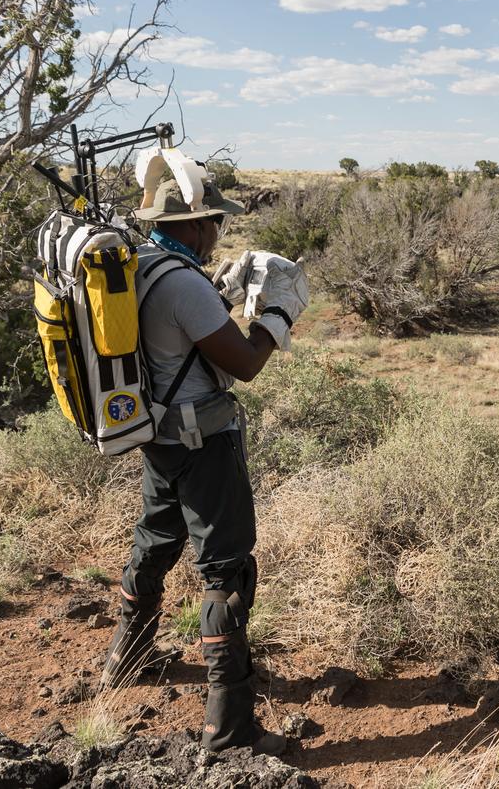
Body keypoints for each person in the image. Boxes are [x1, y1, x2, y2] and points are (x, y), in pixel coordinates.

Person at [100, 177, 308, 753]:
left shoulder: (138, 264)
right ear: (193, 224)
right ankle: (230, 730)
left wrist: (216, 289)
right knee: (227, 572)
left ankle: (126, 658)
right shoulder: (182, 283)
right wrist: (277, 314)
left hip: (158, 435)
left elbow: (170, 337)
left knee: (155, 540)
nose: (219, 231)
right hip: (203, 441)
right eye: (214, 220)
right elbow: (243, 363)